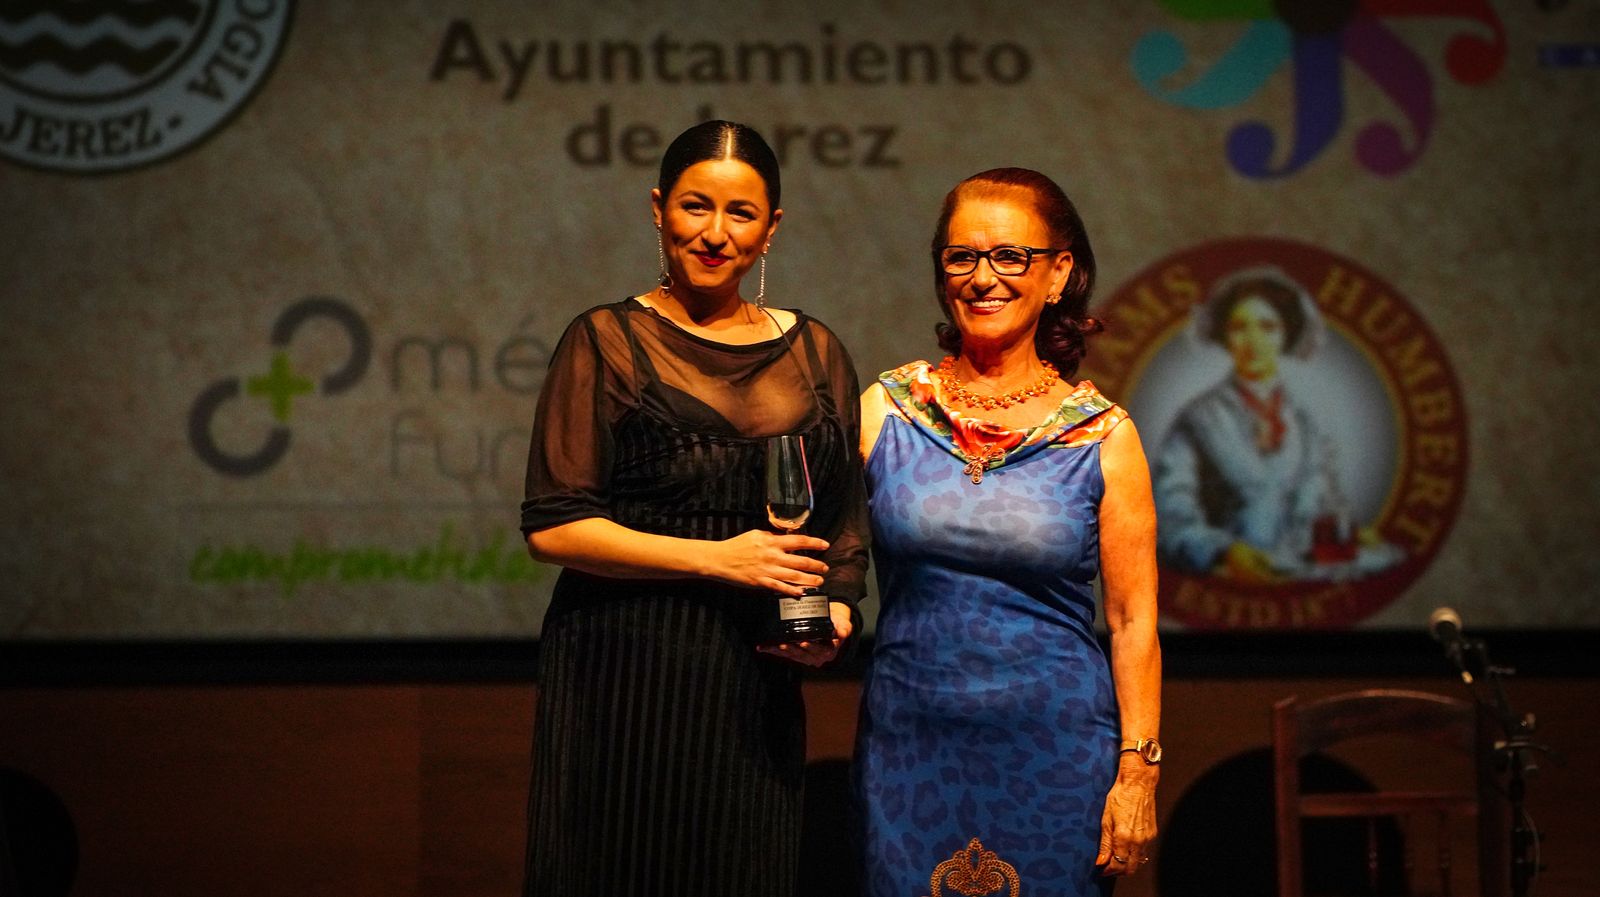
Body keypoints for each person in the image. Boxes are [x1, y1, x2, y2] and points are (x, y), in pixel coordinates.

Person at [517, 120, 868, 897]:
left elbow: (843, 520)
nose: (715, 233)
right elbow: (553, 524)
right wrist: (721, 558)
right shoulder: (606, 340)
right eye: (694, 207)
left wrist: (837, 608)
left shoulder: (816, 353)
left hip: (752, 685)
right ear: (658, 209)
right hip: (620, 674)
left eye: (740, 214)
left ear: (771, 227)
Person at [855, 168, 1161, 896]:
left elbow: (1132, 619)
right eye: (961, 257)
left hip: (1057, 758)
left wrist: (1138, 772)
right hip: (909, 752)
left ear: (1058, 273)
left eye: (1009, 256)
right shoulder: (886, 410)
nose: (982, 276)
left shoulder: (1101, 435)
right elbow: (821, 552)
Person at [1153, 266, 1400, 582]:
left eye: (1267, 327)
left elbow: (1322, 506)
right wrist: (1223, 551)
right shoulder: (1199, 418)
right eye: (1240, 327)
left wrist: (1349, 536)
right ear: (1225, 337)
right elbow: (1168, 517)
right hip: (1229, 588)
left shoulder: (1307, 421)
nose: (1253, 341)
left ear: (1286, 335)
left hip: (1301, 587)